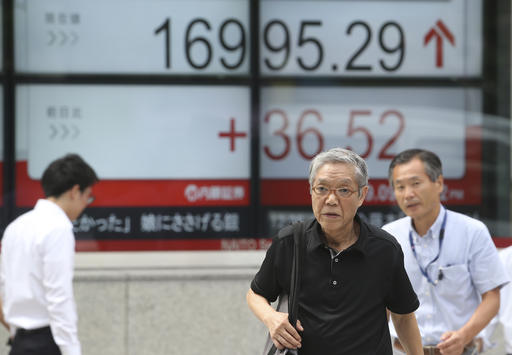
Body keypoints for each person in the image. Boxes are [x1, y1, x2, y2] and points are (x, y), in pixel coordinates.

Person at [247, 147, 423, 354]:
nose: (330, 200)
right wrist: (271, 318)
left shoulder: (384, 248)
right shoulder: (290, 242)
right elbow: (256, 294)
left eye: (343, 190)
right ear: (311, 190)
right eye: (321, 189)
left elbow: (403, 316)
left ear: (362, 195)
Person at [382, 148, 509, 355]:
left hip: (460, 350)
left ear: (439, 183)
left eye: (415, 184)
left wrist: (464, 336)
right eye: (400, 187)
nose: (408, 194)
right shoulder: (388, 236)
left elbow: (492, 297)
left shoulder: (472, 231)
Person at [0, 154, 98, 355]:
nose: (85, 204)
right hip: (46, 342)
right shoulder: (58, 228)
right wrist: (71, 350)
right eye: (88, 196)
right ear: (75, 191)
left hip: (18, 343)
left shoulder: (16, 227)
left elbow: (3, 288)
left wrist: (15, 333)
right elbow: (59, 296)